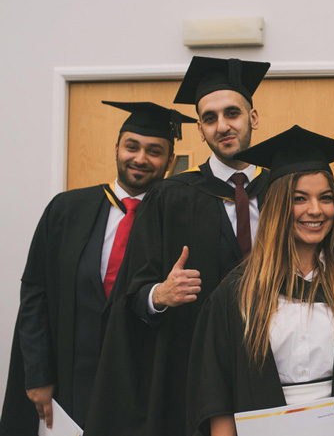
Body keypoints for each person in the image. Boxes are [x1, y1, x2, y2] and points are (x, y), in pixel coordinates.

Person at [84, 57, 272, 436]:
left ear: (253, 117)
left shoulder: (284, 190)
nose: (223, 126)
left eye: (232, 113)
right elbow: (131, 296)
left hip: (275, 362)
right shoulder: (170, 197)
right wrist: (160, 294)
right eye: (210, 118)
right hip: (193, 371)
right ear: (200, 129)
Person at [186, 125, 334, 436]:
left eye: (326, 198)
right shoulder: (238, 293)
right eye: (300, 199)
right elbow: (216, 397)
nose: (316, 210)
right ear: (278, 206)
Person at [0, 101, 193, 435]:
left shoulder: (179, 222)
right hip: (70, 384)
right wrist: (38, 374)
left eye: (154, 151)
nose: (140, 158)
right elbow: (35, 293)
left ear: (170, 161)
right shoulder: (66, 210)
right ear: (116, 147)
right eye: (131, 146)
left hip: (143, 391)